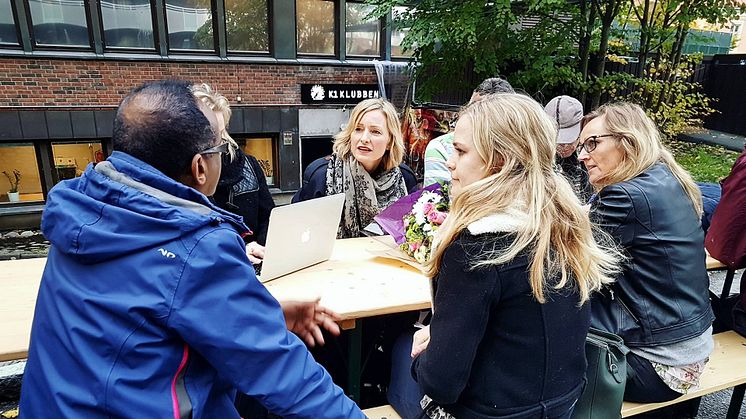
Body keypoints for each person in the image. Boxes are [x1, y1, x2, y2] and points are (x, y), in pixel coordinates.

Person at [19, 80, 365, 418]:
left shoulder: (82, 208)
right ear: (201, 167)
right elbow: (286, 377)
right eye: (220, 147)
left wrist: (263, 315)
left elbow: (144, 311)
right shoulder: (196, 247)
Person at [396, 93, 619, 419]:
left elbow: (441, 384)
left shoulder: (476, 249)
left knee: (402, 350)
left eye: (460, 150)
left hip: (493, 413)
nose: (450, 162)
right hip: (564, 404)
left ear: (499, 160)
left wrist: (423, 359)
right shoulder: (562, 224)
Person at [578, 102, 714, 412]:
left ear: (628, 140)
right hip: (690, 347)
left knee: (542, 312)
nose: (583, 155)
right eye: (581, 147)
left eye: (593, 143)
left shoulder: (624, 194)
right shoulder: (667, 179)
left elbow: (574, 263)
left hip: (658, 365)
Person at [293, 97, 417, 238]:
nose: (364, 138)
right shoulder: (321, 175)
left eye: (375, 131)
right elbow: (297, 229)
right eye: (358, 129)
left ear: (390, 141)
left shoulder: (405, 178)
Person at [192, 83, 274, 264]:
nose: (218, 141)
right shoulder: (179, 176)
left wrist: (260, 250)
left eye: (220, 133)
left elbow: (268, 216)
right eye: (211, 135)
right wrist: (236, 253)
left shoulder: (249, 164)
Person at [423, 77, 514, 187]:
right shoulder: (440, 147)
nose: (450, 164)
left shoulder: (522, 152)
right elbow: (433, 199)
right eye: (472, 108)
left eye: (461, 151)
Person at [543, 95, 593, 203]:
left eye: (569, 139)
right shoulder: (539, 159)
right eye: (558, 141)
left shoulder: (591, 153)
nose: (564, 146)